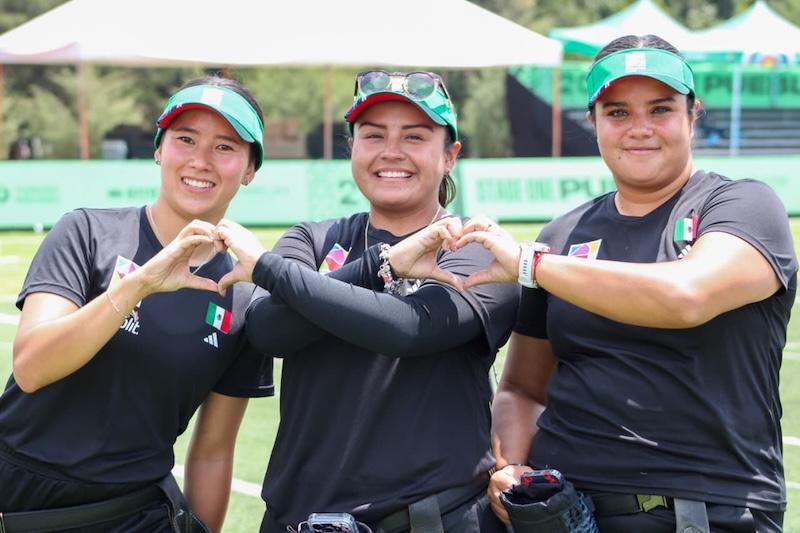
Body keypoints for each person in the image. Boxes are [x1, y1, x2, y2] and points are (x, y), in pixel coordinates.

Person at [452, 35, 797, 532]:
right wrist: (509, 467)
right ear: (592, 121)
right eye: (617, 113)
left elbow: (686, 295)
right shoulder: (563, 235)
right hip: (568, 511)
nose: (640, 129)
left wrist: (532, 264)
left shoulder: (743, 206)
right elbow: (523, 387)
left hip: (705, 509)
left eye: (660, 109)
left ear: (693, 114)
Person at [213, 70, 520, 532]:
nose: (391, 151)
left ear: (450, 155)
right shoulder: (313, 239)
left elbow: (411, 329)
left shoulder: (478, 248)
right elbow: (269, 331)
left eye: (414, 137)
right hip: (301, 520)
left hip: (437, 518)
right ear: (352, 147)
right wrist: (384, 264)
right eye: (373, 135)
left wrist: (272, 272)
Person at [0, 75, 273, 532]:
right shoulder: (86, 233)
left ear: (250, 169)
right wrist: (139, 284)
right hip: (18, 496)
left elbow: (211, 452)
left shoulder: (244, 297)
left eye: (225, 147)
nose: (201, 160)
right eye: (185, 139)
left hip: (132, 513)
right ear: (159, 150)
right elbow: (31, 366)